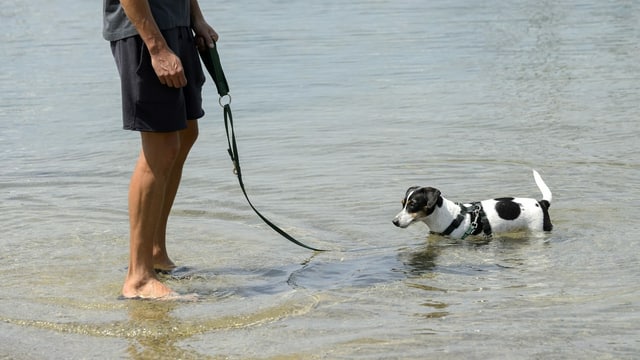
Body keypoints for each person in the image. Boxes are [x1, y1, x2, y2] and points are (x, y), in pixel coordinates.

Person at [103, 0, 218, 299]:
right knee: (162, 145)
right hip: (145, 32)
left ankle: (155, 254)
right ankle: (138, 278)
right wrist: (157, 48)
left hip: (176, 26)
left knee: (185, 132)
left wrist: (196, 18)